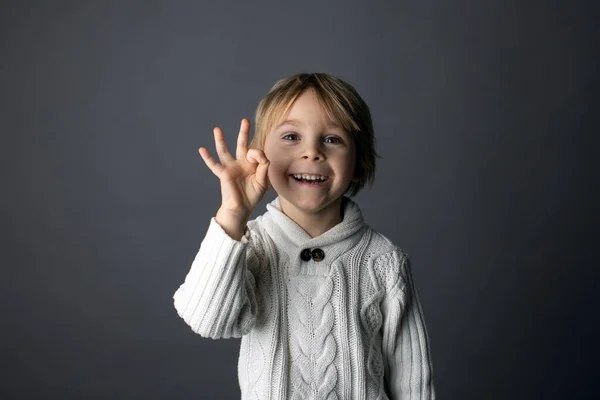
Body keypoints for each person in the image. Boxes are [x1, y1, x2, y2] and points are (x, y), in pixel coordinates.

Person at [173, 73, 436, 399]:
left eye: (332, 139)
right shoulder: (248, 246)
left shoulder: (384, 261)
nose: (311, 152)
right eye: (291, 136)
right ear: (260, 157)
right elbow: (209, 322)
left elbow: (412, 381)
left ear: (358, 162)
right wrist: (233, 215)